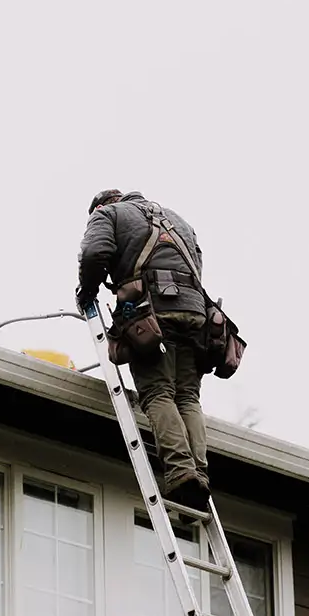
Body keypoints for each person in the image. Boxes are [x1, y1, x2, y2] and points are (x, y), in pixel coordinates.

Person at [76, 189, 211, 511]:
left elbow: (95, 254)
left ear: (102, 205)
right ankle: (200, 473)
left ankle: (181, 471)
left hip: (152, 313)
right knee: (187, 397)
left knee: (158, 392)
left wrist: (87, 291)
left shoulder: (107, 215)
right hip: (195, 314)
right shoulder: (178, 219)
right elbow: (198, 265)